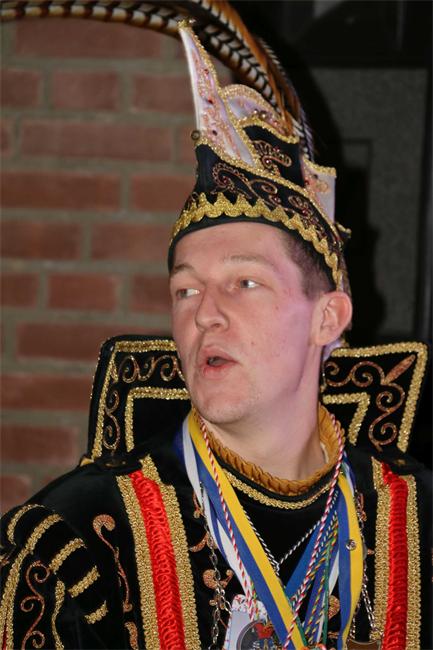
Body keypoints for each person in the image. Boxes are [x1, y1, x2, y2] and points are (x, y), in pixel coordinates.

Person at [1, 12, 431, 650]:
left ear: (327, 318)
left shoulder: (419, 522)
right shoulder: (71, 547)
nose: (204, 313)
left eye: (244, 282)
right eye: (186, 289)